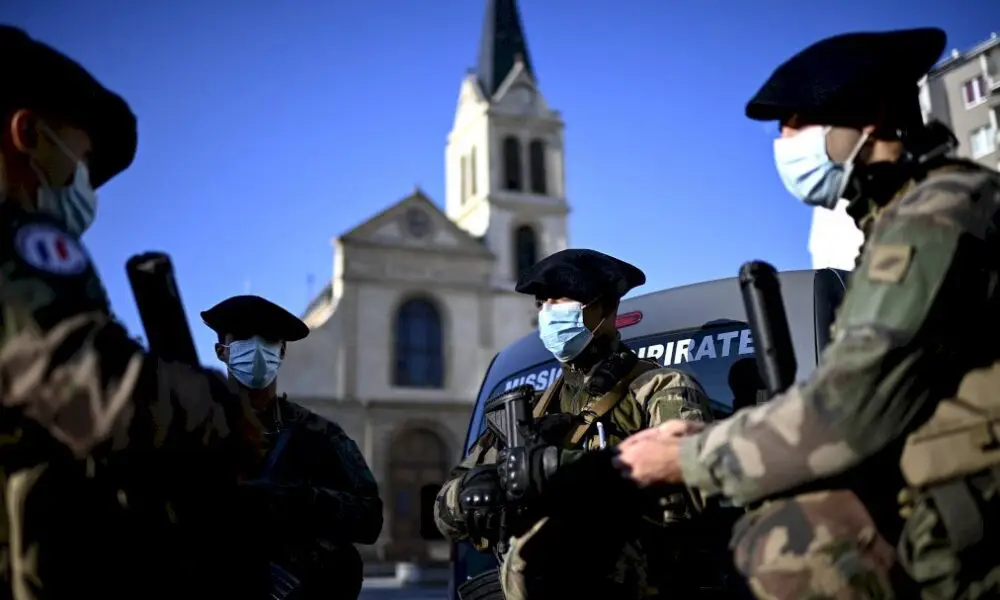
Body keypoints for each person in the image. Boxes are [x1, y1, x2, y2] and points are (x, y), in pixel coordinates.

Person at [615, 27, 1000, 600]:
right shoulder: (904, 217)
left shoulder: (936, 216)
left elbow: (848, 408)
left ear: (866, 121)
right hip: (945, 489)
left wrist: (689, 457)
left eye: (798, 121)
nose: (785, 141)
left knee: (788, 549)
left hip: (971, 509)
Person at [0, 25, 267, 599]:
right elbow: (91, 383)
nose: (85, 185)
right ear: (28, 134)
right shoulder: (17, 243)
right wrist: (220, 407)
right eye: (83, 159)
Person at [434, 249, 715, 599]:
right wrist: (473, 493)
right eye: (544, 302)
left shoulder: (660, 388)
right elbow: (443, 513)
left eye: (564, 300)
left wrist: (562, 470)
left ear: (607, 310)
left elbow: (692, 490)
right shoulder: (526, 410)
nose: (550, 312)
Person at [201, 294, 383, 600]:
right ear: (222, 351)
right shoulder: (194, 429)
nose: (257, 349)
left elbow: (369, 518)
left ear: (281, 352)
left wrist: (298, 501)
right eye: (245, 338)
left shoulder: (319, 434)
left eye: (268, 340)